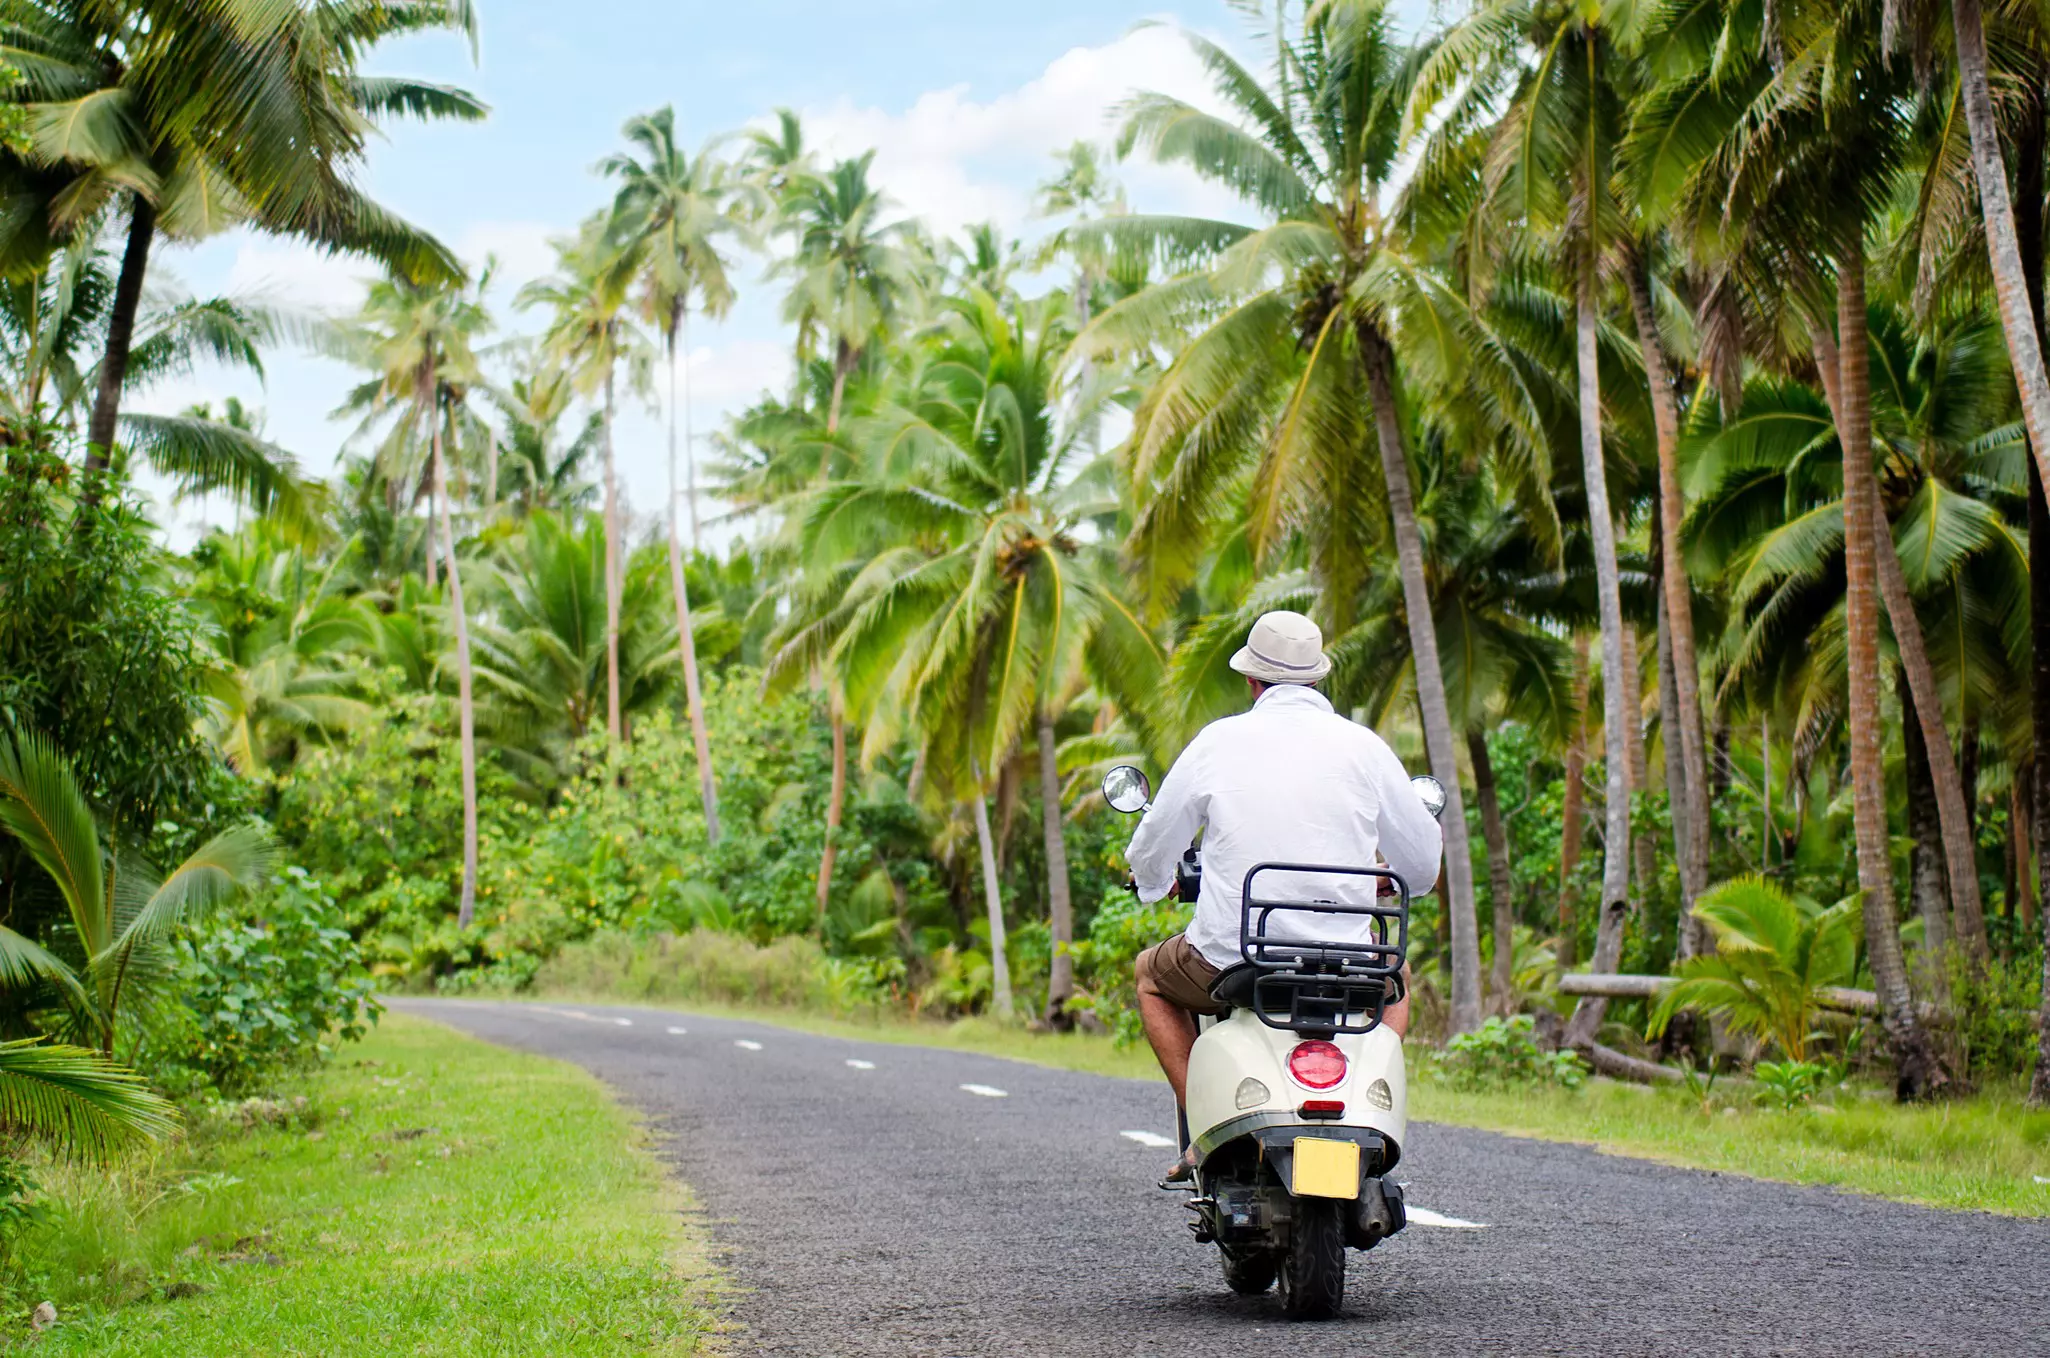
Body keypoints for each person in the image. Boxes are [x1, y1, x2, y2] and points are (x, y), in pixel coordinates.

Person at [1123, 610, 1442, 1178]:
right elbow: (1421, 868)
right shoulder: (1364, 748)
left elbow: (1154, 842)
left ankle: (1202, 1131)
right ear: (1317, 679)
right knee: (1396, 981)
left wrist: (1153, 885)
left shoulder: (1218, 742)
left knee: (1151, 976)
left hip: (1235, 957)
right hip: (1349, 962)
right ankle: (1368, 1106)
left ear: (1251, 680)